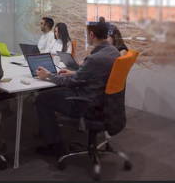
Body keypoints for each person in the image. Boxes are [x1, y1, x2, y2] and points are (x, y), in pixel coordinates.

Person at [34, 20, 120, 156]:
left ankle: (54, 145)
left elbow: (72, 82)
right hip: (103, 100)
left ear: (91, 34)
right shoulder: (114, 52)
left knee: (42, 98)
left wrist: (48, 76)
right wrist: (76, 72)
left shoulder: (95, 58)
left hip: (86, 102)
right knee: (51, 93)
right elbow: (97, 73)